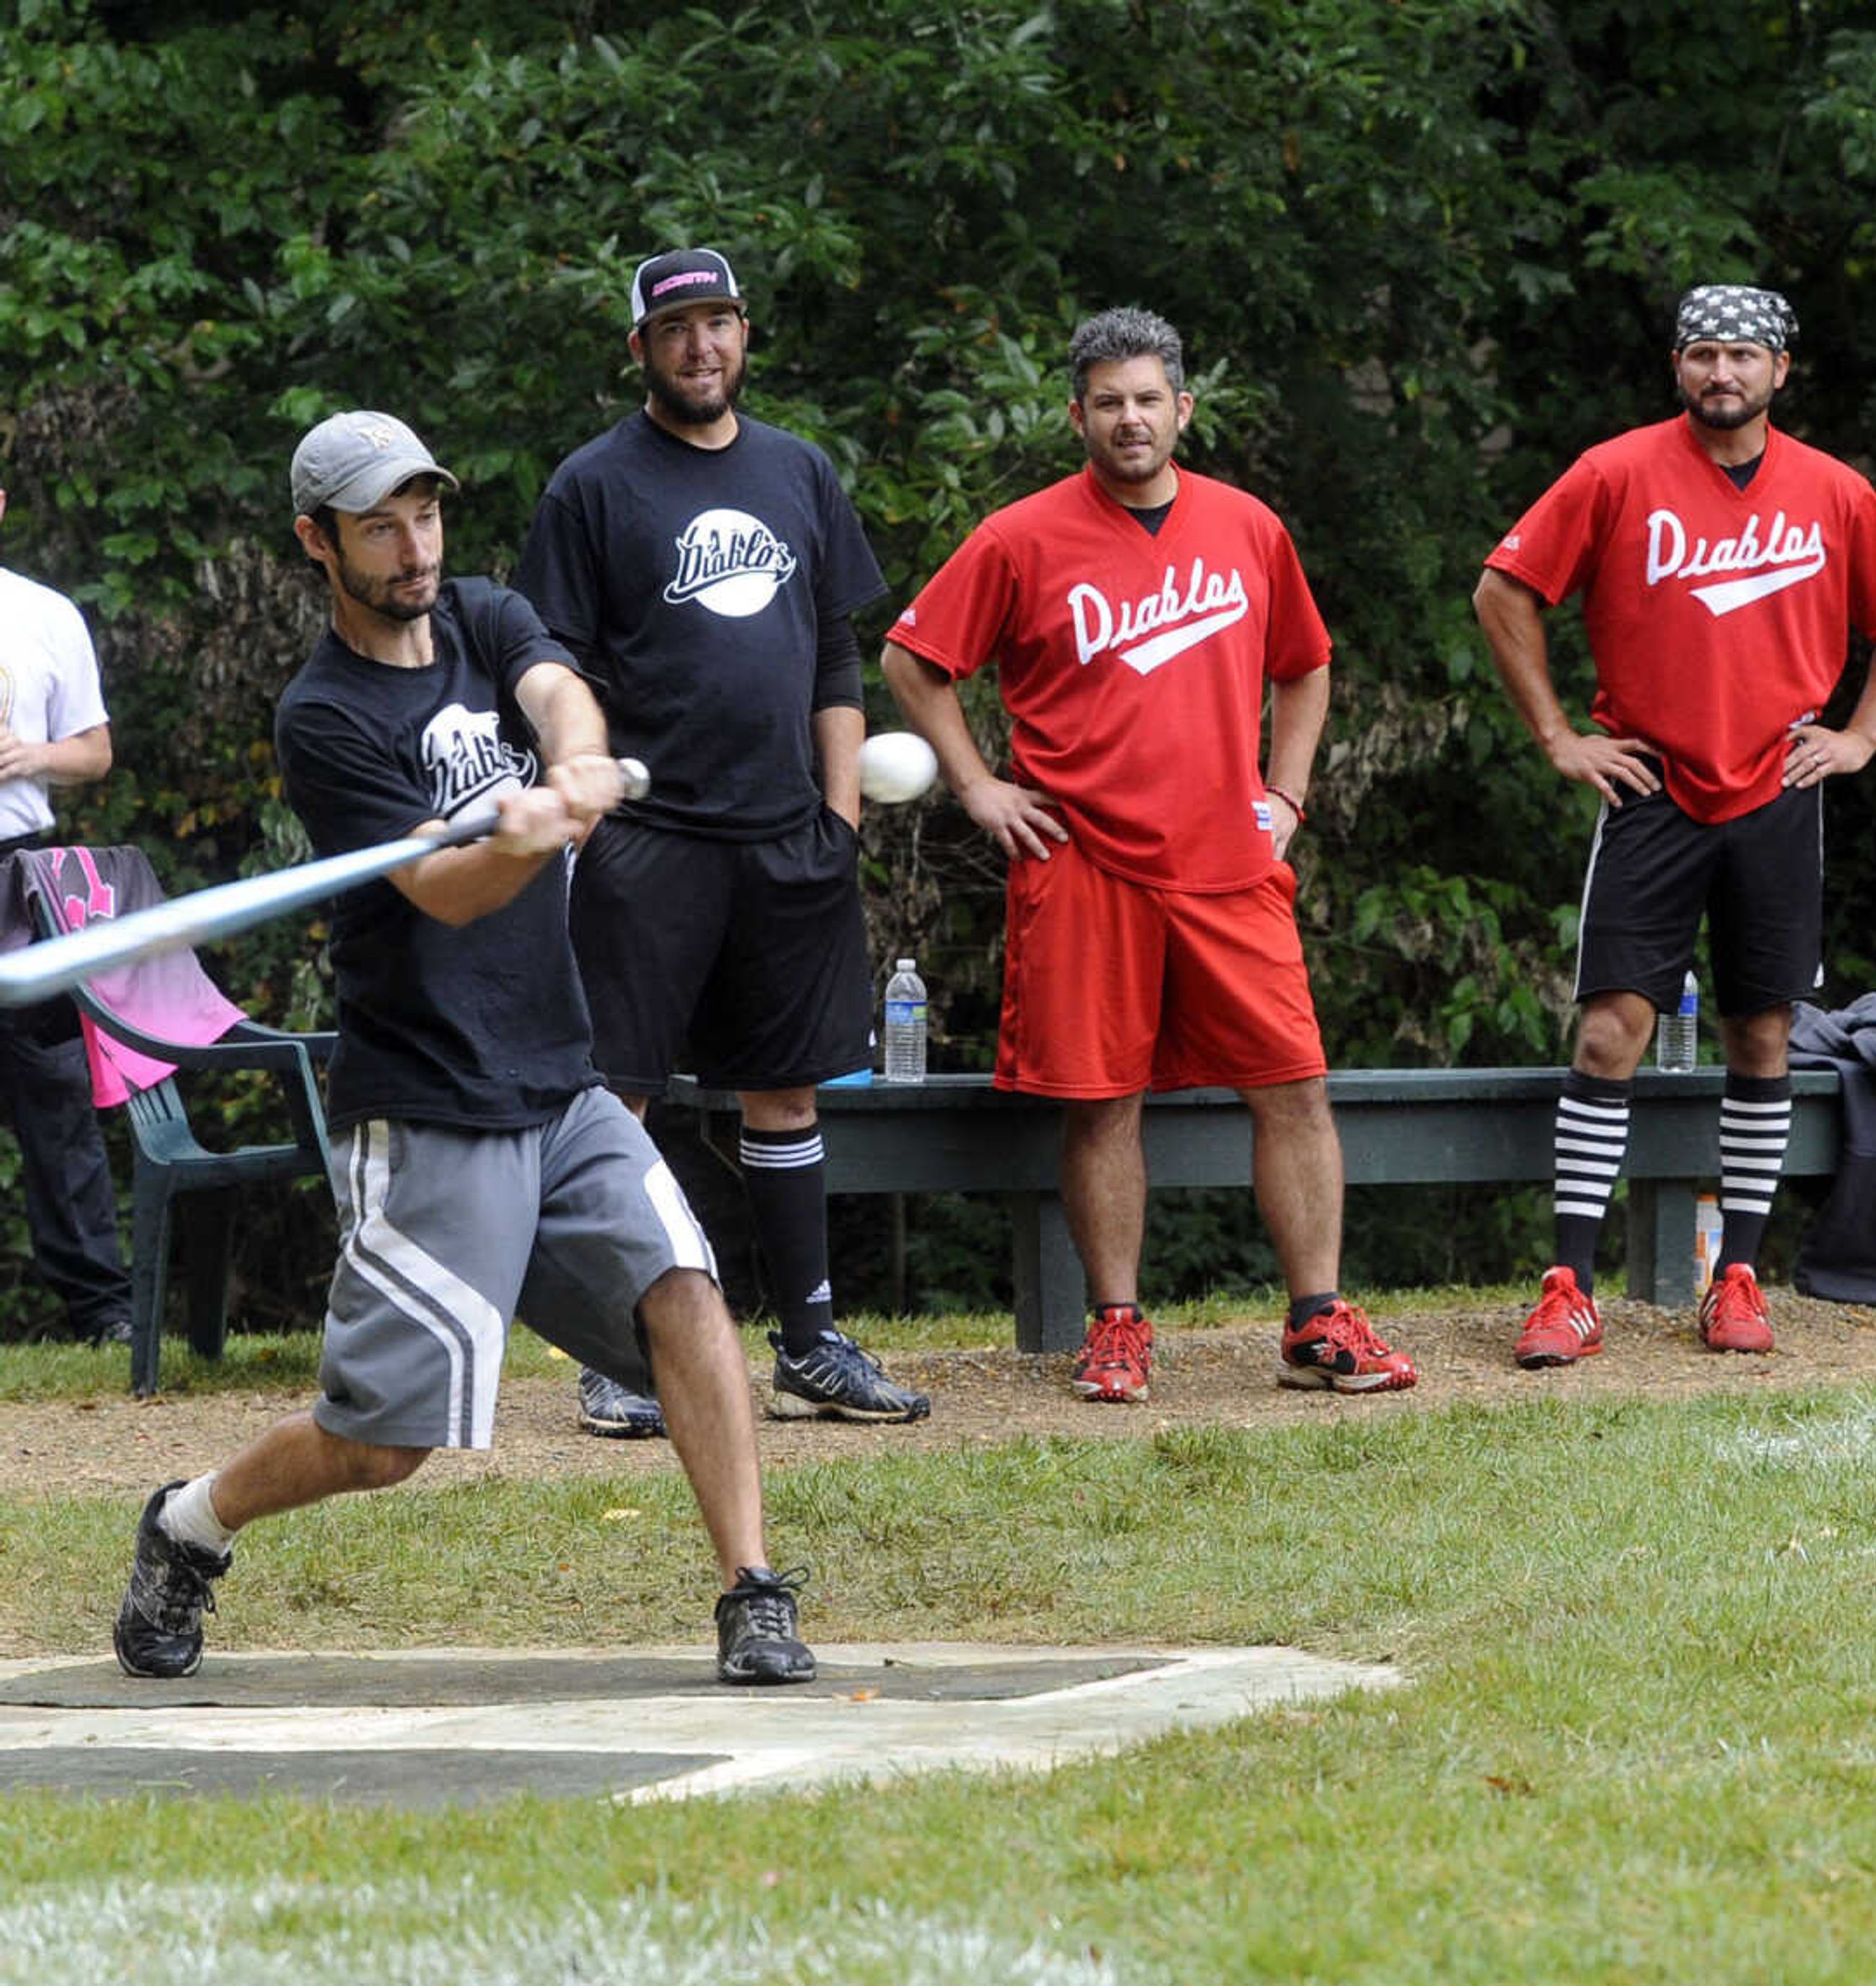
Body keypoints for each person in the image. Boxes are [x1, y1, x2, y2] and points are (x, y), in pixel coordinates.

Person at [113, 412, 813, 1684]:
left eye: (424, 513)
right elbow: (446, 895)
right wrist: (522, 835)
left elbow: (555, 686)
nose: (413, 544)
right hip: (431, 1098)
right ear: (316, 543)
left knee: (686, 1293)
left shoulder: (485, 619)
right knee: (385, 1445)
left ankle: (752, 1591)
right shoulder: (322, 718)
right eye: (379, 524)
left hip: (561, 1080)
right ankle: (188, 1524)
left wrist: (581, 764)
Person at [880, 305, 1416, 1404]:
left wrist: (1289, 794)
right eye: (1109, 402)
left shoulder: (1249, 527)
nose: (1131, 419)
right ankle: (1117, 1326)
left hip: (1228, 858)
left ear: (1185, 406)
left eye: (1149, 399)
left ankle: (1317, 1321)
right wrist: (978, 784)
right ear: (1078, 413)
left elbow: (1306, 666)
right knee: (1103, 1100)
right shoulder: (1020, 536)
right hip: (1083, 860)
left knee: (1295, 1086)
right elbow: (914, 656)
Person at [1474, 282, 1876, 1362]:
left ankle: (1737, 1274)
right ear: (1676, 368)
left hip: (1779, 790)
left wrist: (1862, 736)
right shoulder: (1616, 472)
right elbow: (1504, 591)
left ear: (1783, 370)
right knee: (1608, 1031)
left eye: (1742, 355)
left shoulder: (1831, 490)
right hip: (1652, 786)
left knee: (1762, 1030)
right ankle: (1569, 1284)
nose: (1721, 373)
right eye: (1702, 355)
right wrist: (1558, 737)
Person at [515, 248, 924, 1434]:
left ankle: (810, 1345)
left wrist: (837, 818)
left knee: (787, 1096)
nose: (703, 347)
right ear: (639, 348)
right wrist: (582, 799)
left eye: (721, 323)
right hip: (648, 845)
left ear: (747, 336)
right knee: (618, 1104)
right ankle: (615, 1354)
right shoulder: (592, 487)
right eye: (679, 328)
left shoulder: (798, 470)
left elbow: (837, 652)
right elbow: (552, 665)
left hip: (786, 842)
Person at [0, 483, 131, 1349]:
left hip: (17, 878)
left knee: (53, 1098)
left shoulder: (43, 613)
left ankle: (104, 1312)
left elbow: (96, 750)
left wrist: (28, 753)